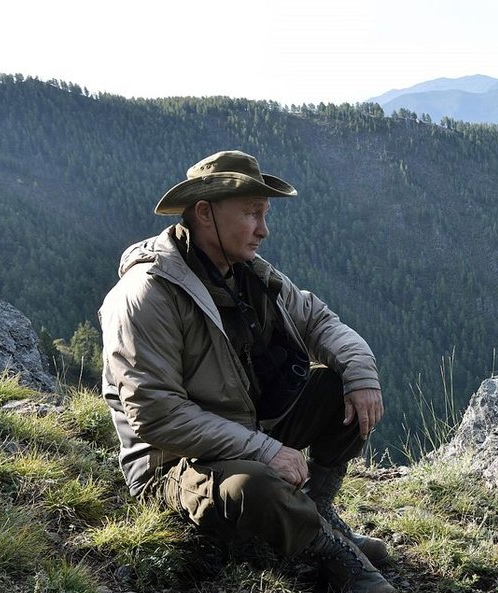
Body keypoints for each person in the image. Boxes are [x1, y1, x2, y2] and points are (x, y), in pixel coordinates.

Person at [99, 150, 396, 593]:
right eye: (251, 213)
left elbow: (317, 320)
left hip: (247, 428)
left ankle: (317, 512)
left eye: (264, 214)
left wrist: (361, 376)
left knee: (339, 388)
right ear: (205, 213)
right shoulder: (146, 294)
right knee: (251, 486)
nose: (263, 229)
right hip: (175, 463)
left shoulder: (248, 275)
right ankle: (332, 555)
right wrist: (263, 449)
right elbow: (156, 415)